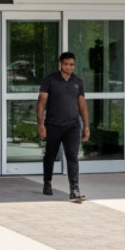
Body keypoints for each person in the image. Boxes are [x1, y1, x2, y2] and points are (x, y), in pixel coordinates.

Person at [37, 51, 89, 202]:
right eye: (66, 64)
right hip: (53, 125)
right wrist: (41, 124)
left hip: (72, 126)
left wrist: (86, 125)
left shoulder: (78, 82)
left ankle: (74, 189)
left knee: (72, 156)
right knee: (50, 155)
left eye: (71, 64)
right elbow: (41, 103)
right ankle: (47, 182)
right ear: (60, 64)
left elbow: (82, 104)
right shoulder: (50, 80)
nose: (69, 67)